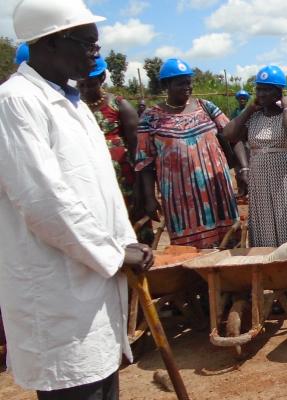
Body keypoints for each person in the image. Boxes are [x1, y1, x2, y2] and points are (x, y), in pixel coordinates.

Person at [0, 1, 153, 398]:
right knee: (74, 381)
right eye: (88, 44)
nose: (96, 53)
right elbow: (43, 200)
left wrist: (124, 244)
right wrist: (115, 254)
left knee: (102, 379)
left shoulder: (74, 103)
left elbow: (100, 187)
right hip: (57, 294)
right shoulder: (16, 102)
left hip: (93, 279)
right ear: (51, 42)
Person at [223, 65, 287, 306]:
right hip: (263, 185)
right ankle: (280, 291)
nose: (262, 94)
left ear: (279, 92)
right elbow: (229, 135)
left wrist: (286, 107)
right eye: (259, 89)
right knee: (268, 235)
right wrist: (248, 110)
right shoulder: (253, 118)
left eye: (268, 90)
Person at [137, 58, 239, 248]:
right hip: (181, 199)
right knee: (189, 255)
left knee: (227, 248)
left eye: (189, 82)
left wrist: (243, 169)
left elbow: (232, 133)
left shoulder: (206, 107)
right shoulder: (150, 118)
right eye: (180, 83)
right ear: (166, 85)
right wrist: (150, 198)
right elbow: (145, 163)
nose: (187, 87)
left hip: (218, 192)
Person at [76, 56, 148, 243]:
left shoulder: (119, 105)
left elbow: (137, 149)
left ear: (101, 79)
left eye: (90, 84)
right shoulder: (73, 107)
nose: (85, 90)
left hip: (124, 181)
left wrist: (141, 187)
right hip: (91, 180)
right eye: (81, 85)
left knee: (133, 225)